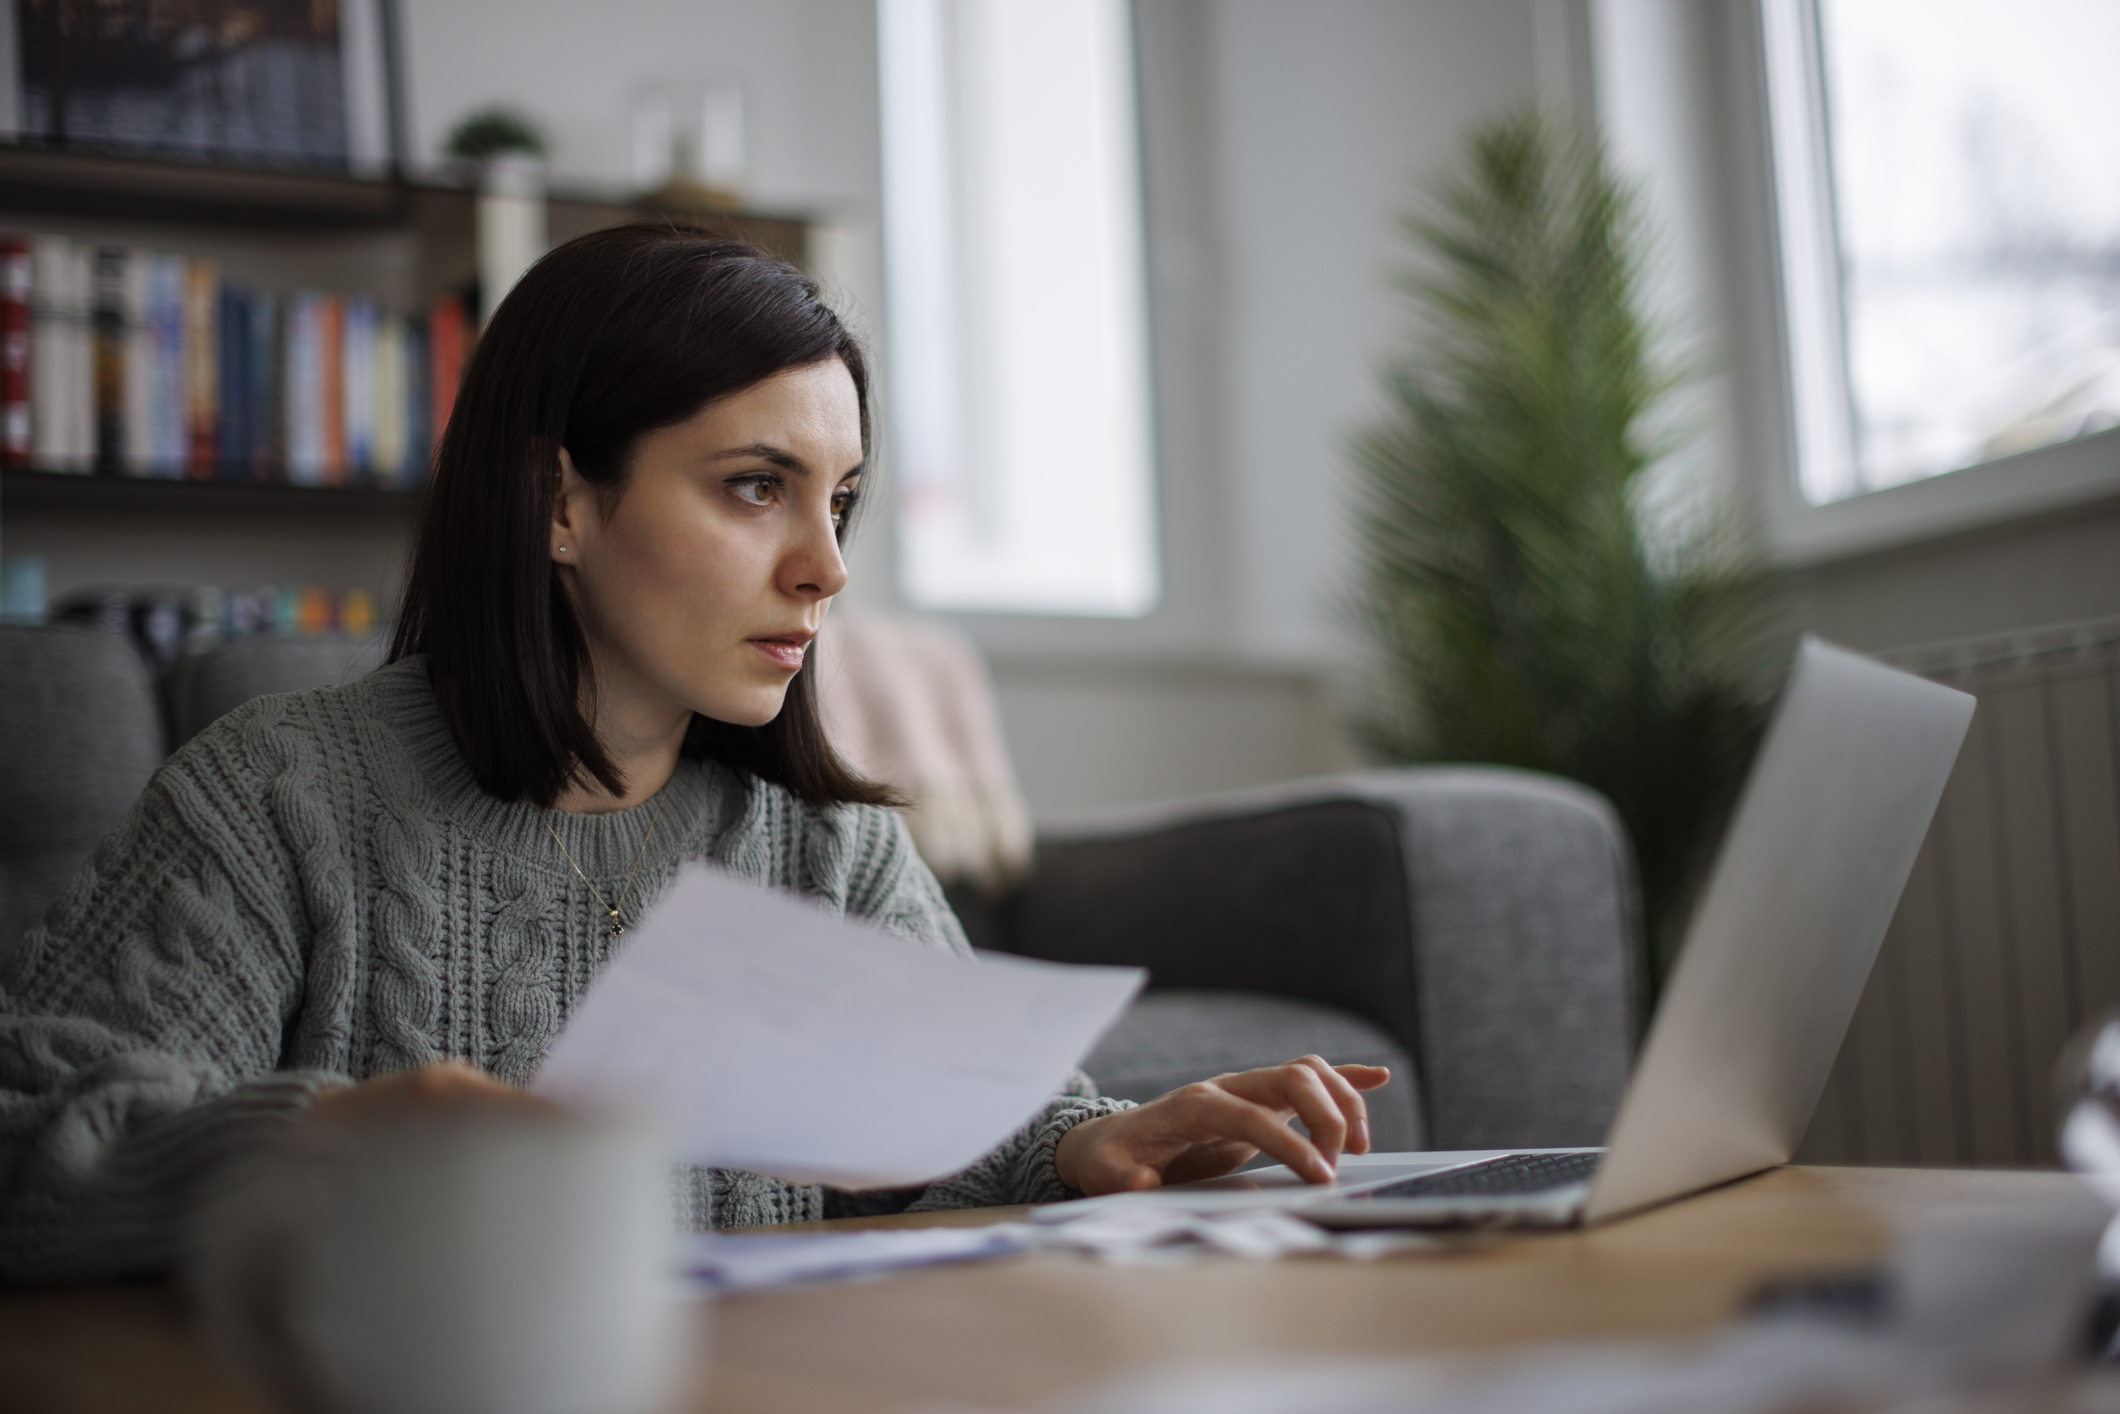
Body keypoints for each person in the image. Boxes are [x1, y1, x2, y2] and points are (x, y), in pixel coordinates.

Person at [0, 226, 1386, 1286]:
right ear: (560, 499)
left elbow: (956, 1135)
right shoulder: (278, 798)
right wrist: (327, 1135)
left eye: (839, 500)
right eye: (754, 487)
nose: (826, 566)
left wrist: (1096, 1141)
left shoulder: (825, 846)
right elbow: (30, 1134)